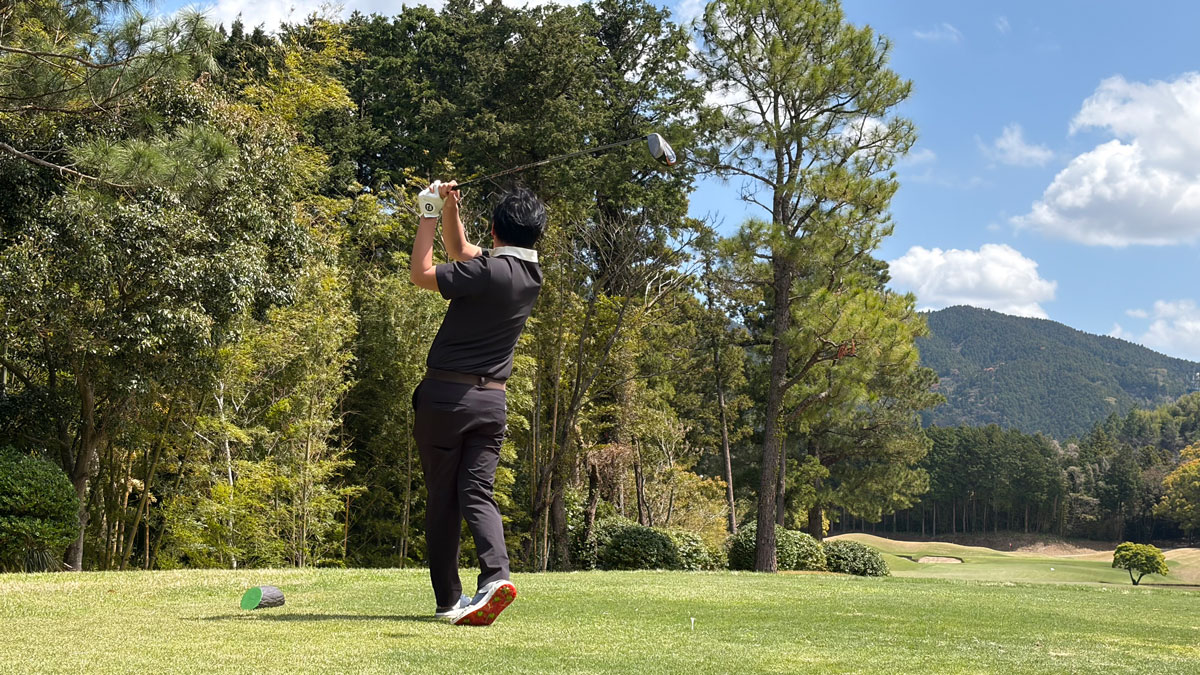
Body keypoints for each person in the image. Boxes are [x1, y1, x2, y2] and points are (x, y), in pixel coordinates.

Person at [409, 180, 545, 626]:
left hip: (447, 399)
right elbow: (460, 246)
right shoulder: (527, 275)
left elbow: (422, 272)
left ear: (495, 230)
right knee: (477, 492)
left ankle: (449, 599)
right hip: (492, 404)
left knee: (443, 500)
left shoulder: (486, 272)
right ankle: (494, 578)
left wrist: (428, 210)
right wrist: (451, 207)